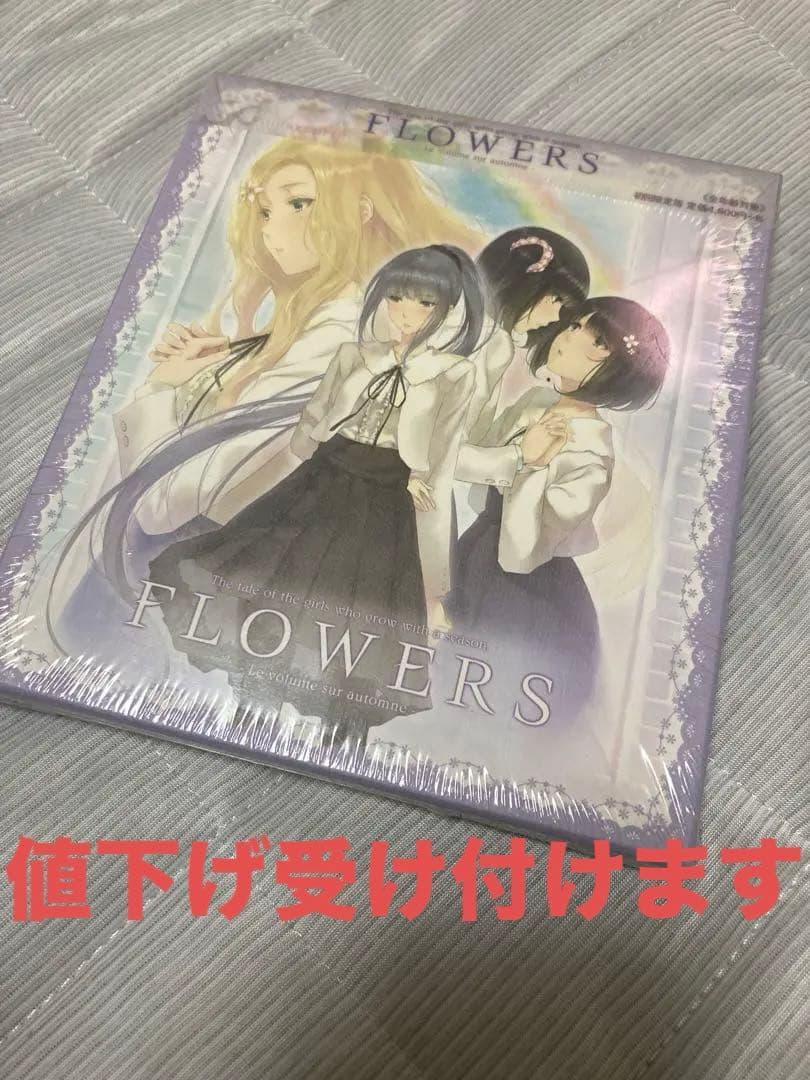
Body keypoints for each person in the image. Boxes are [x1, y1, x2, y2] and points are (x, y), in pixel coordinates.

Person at [146, 245, 486, 742]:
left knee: (360, 610)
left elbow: (446, 444)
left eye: (424, 303)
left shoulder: (455, 373)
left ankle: (342, 737)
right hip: (325, 475)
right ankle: (251, 715)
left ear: (447, 309)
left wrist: (423, 477)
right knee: (276, 584)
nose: (405, 313)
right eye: (396, 298)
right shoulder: (354, 354)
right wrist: (297, 457)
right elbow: (316, 416)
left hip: (388, 493)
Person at [450, 297, 670, 722]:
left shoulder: (592, 453)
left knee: (489, 692)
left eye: (597, 340)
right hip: (475, 552)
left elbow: (524, 550)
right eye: (574, 325)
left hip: (526, 591)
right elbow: (468, 451)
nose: (571, 337)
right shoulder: (536, 402)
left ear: (621, 370)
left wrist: (532, 466)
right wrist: (501, 353)